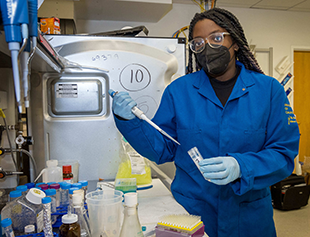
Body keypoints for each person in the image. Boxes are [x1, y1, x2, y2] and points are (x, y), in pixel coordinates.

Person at [110, 8, 300, 237]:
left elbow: (283, 154)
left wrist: (242, 166)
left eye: (216, 38)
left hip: (249, 219)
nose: (207, 47)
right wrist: (128, 120)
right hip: (192, 215)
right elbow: (161, 148)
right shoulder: (179, 91)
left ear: (236, 43)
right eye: (198, 43)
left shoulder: (269, 91)